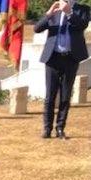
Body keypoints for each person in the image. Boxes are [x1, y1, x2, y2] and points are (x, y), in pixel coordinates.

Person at [34, 0, 90, 139]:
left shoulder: (83, 9)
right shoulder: (55, 9)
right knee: (50, 96)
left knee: (65, 96)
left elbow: (82, 25)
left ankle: (60, 128)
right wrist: (49, 14)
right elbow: (37, 28)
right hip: (52, 58)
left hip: (71, 58)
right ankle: (47, 129)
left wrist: (69, 12)